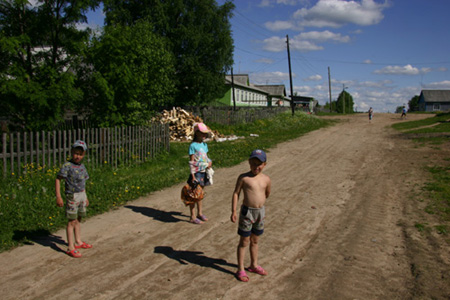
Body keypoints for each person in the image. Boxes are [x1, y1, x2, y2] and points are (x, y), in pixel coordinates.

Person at [231, 149, 271, 282]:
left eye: (259, 164)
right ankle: (240, 269)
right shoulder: (244, 178)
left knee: (255, 240)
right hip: (247, 213)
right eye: (253, 163)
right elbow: (236, 193)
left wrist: (259, 204)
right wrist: (234, 211)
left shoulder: (266, 179)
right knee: (244, 241)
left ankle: (253, 265)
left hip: (260, 213)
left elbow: (267, 193)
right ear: (249, 162)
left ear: (264, 164)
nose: (256, 166)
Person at [55, 140, 92, 258]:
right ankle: (70, 246)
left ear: (84, 154)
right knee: (71, 221)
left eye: (80, 154)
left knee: (78, 219)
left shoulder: (82, 167)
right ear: (72, 152)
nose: (77, 156)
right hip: (72, 196)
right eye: (75, 153)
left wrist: (85, 197)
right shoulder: (67, 166)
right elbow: (58, 179)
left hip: (81, 195)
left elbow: (83, 183)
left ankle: (78, 241)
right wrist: (59, 196)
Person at [187, 122, 212, 224]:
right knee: (194, 194)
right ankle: (192, 216)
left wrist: (209, 161)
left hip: (203, 171)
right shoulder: (193, 146)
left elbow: (205, 156)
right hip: (196, 173)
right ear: (197, 133)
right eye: (202, 133)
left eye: (205, 133)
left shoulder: (204, 145)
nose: (204, 135)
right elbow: (192, 162)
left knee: (200, 194)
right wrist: (193, 176)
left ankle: (200, 213)